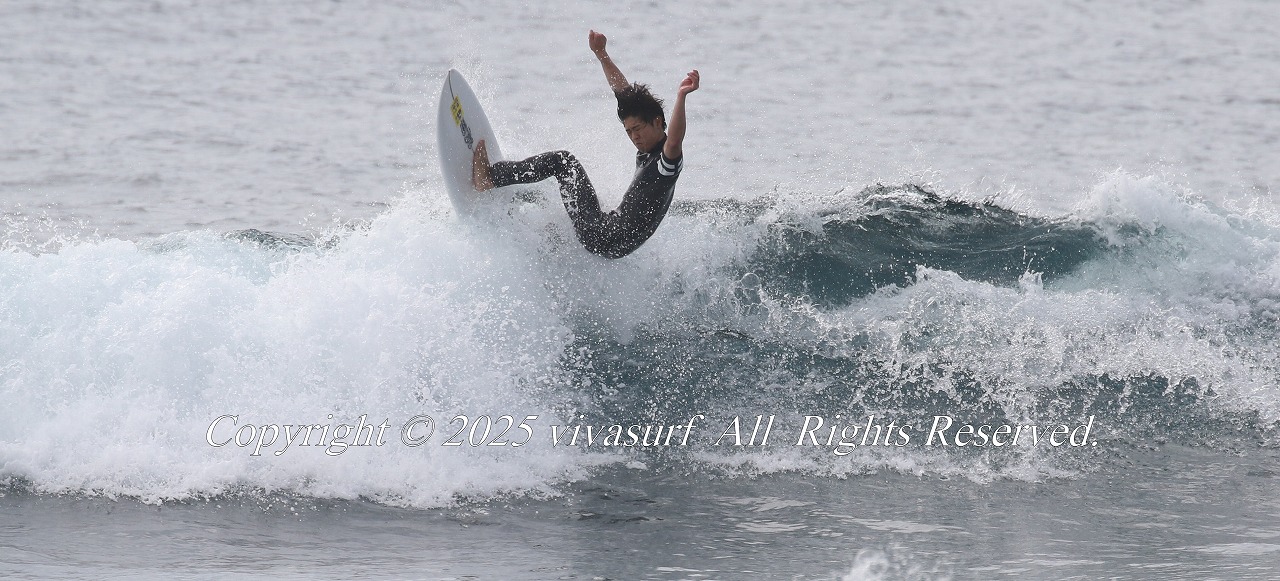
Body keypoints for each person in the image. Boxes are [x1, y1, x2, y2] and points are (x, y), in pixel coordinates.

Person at [471, 30, 700, 259]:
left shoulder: (665, 165)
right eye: (629, 131)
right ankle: (548, 245)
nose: (634, 137)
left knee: (562, 162)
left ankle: (490, 178)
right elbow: (624, 93)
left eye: (637, 129)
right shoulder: (648, 148)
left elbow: (674, 142)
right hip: (613, 244)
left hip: (602, 234)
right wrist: (602, 54)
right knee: (576, 202)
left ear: (658, 122)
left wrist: (681, 97)